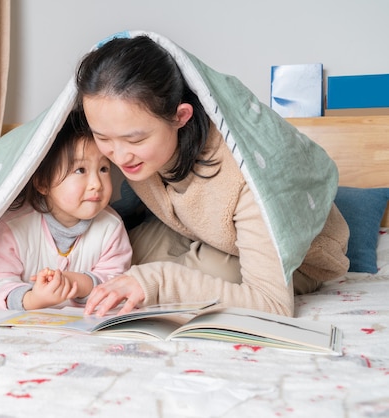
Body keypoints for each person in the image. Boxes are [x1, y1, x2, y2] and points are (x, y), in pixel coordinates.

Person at [75, 35, 349, 317]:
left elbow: (273, 304)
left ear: (181, 116)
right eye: (103, 137)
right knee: (105, 254)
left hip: (300, 258)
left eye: (135, 140)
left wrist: (158, 282)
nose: (119, 157)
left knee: (173, 278)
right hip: (198, 231)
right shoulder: (126, 144)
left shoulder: (246, 175)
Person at [0, 110, 132, 310]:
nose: (96, 183)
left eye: (104, 169)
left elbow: (117, 283)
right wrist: (33, 299)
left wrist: (76, 283)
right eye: (80, 170)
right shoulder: (12, 226)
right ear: (43, 182)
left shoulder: (111, 227)